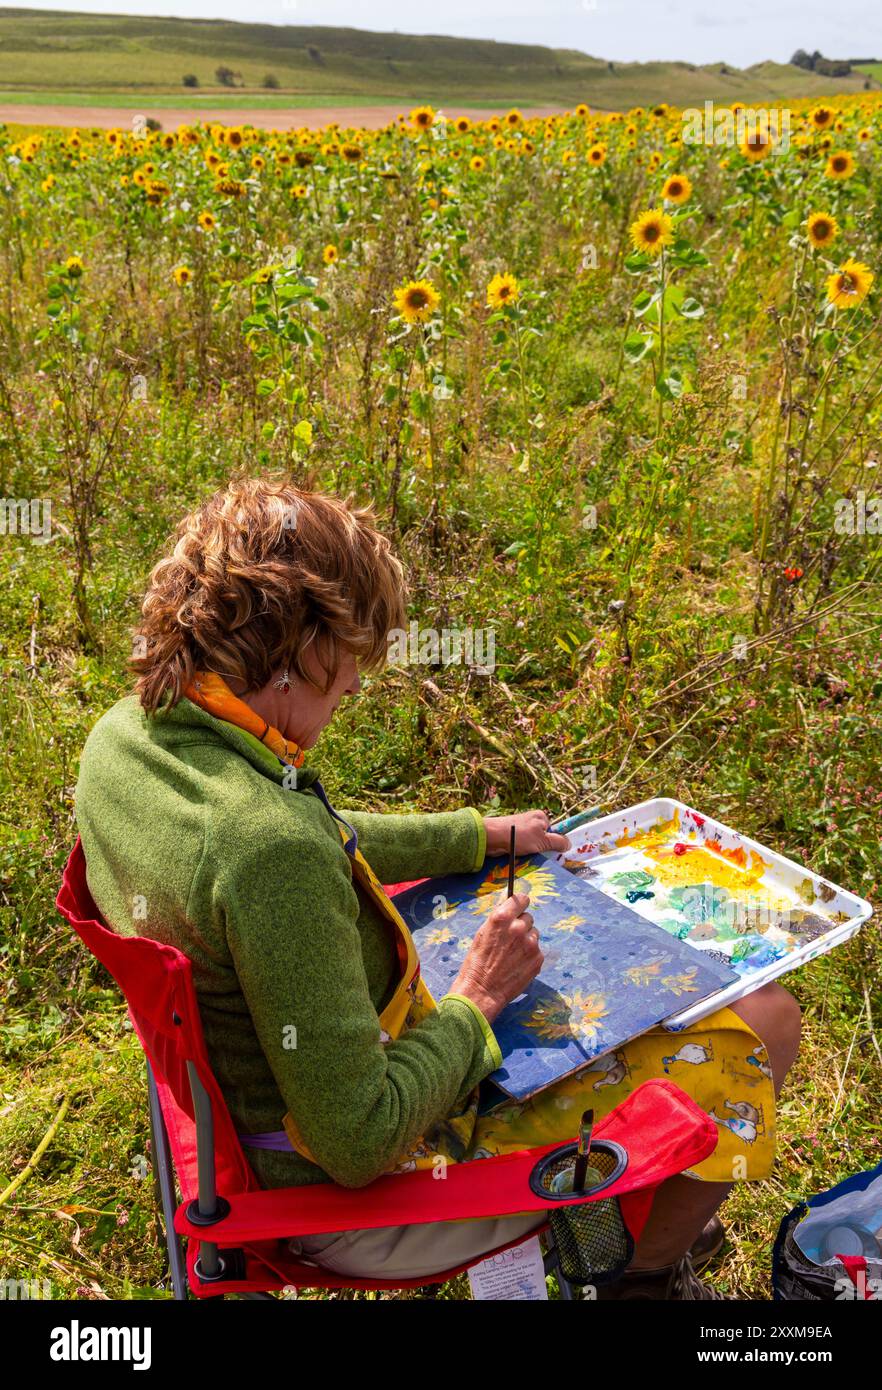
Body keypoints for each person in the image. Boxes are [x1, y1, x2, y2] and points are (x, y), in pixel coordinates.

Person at [75, 477, 800, 1296]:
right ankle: (643, 1273)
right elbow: (359, 1139)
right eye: (348, 658)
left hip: (238, 1124)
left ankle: (641, 1227)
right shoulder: (264, 850)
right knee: (764, 1023)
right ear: (296, 649)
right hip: (358, 1202)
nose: (355, 684)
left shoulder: (128, 736)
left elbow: (307, 837)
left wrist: (477, 836)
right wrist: (480, 996)